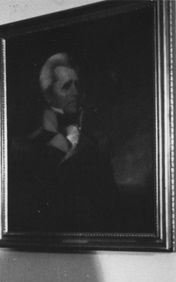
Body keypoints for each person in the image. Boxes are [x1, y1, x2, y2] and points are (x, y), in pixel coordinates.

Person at [9, 52, 120, 232]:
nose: (75, 92)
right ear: (49, 95)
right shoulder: (26, 145)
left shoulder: (96, 143)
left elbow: (110, 201)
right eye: (66, 86)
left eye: (77, 85)